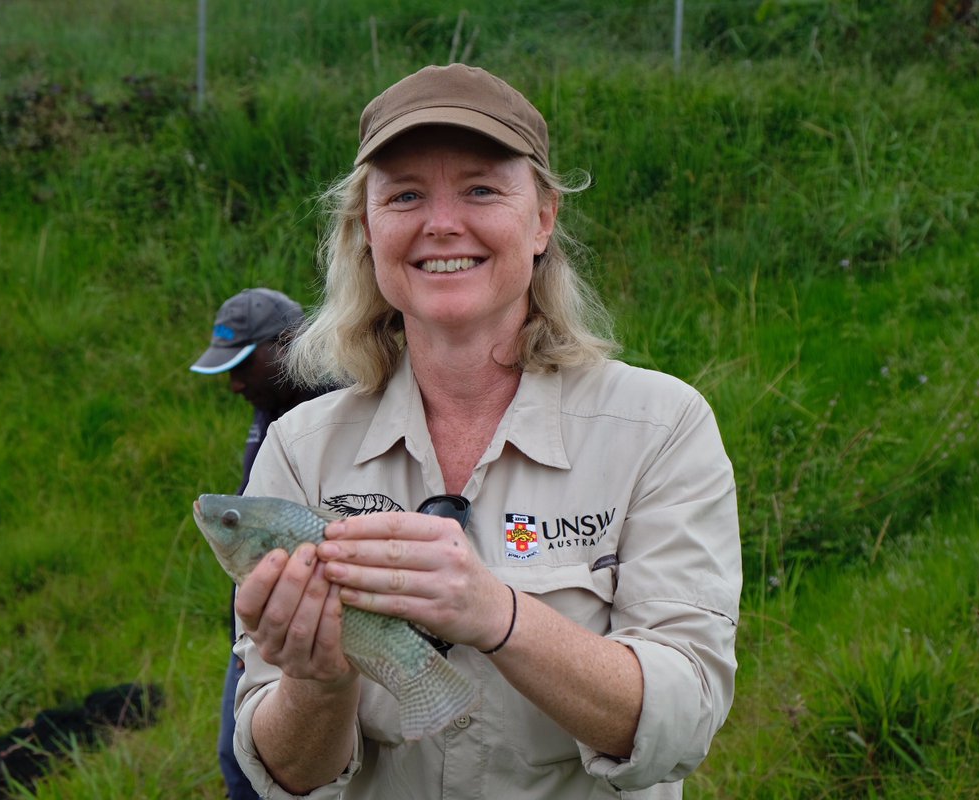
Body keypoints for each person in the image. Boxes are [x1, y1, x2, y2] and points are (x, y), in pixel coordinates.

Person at [230, 64, 742, 799]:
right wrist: (317, 681)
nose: (442, 224)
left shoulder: (661, 428)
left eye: (480, 189)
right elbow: (286, 777)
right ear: (366, 231)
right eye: (405, 195)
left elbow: (681, 724)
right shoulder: (301, 450)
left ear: (541, 219)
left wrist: (495, 613)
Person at [191, 287, 334, 800]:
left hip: (322, 629)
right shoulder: (270, 405)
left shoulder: (340, 408)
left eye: (243, 364)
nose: (233, 384)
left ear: (287, 344)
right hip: (261, 625)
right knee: (238, 755)